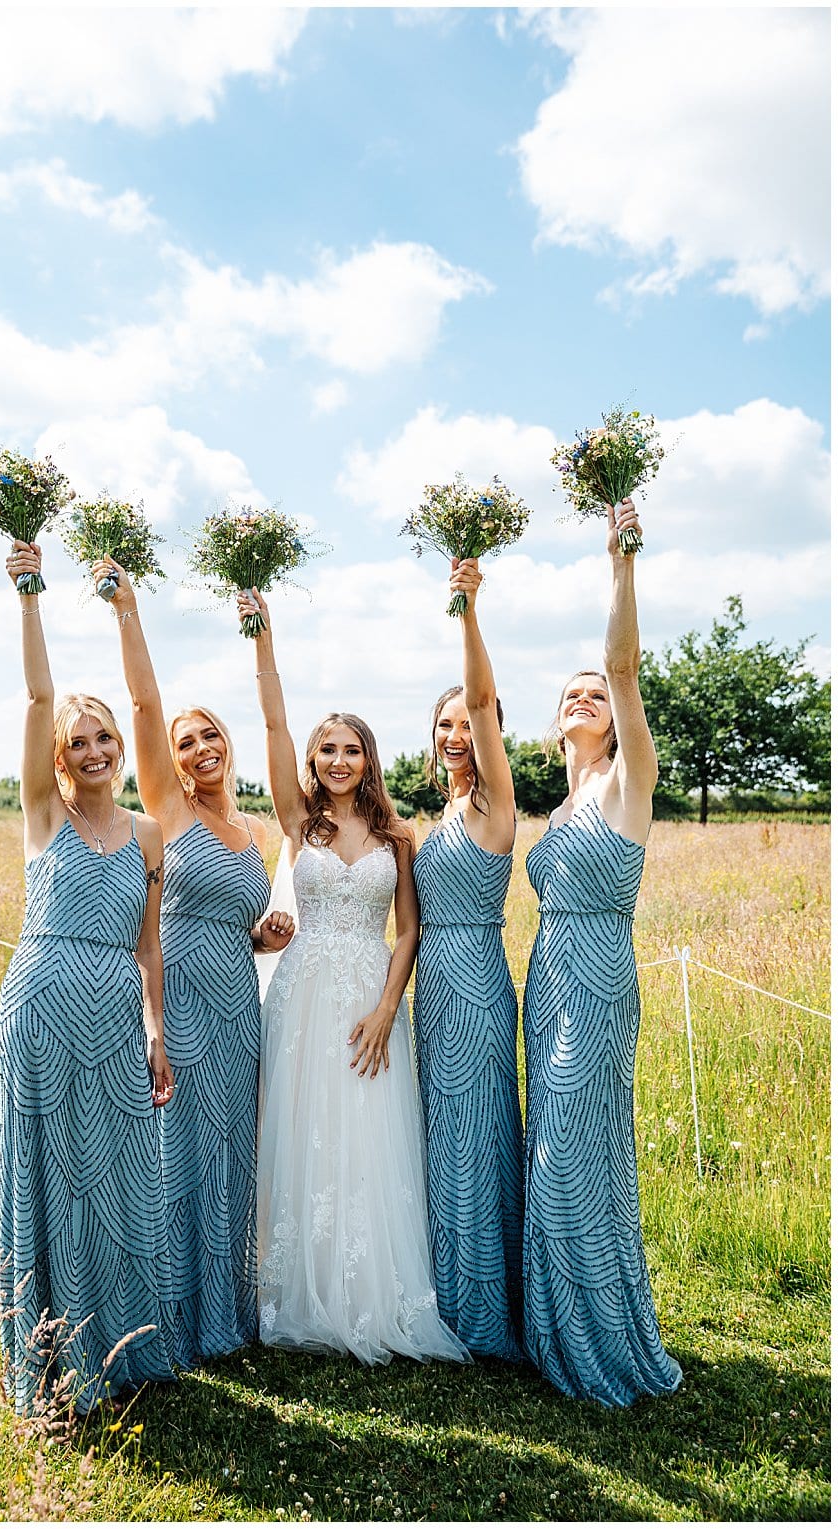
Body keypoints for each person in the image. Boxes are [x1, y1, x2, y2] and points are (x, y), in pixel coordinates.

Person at [238, 586, 469, 1367]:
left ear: (368, 757)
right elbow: (270, 719)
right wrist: (261, 635)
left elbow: (409, 929)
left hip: (369, 991)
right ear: (310, 760)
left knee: (369, 1132)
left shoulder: (398, 835)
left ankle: (371, 1286)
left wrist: (384, 1008)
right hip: (301, 991)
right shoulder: (299, 821)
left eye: (352, 748)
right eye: (326, 749)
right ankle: (294, 1283)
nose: (339, 760)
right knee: (302, 1127)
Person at [0, 538, 178, 1416]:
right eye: (82, 740)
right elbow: (37, 694)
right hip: (41, 1001)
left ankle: (121, 1341)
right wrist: (31, 594)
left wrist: (155, 1030)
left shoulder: (147, 834)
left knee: (116, 1171)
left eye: (105, 735)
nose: (99, 748)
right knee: (50, 1168)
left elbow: (149, 947)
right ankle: (49, 1353)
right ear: (60, 758)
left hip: (114, 1010)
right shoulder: (42, 813)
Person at [95, 556, 292, 1366]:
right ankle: (163, 1315)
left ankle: (224, 1309)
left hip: (239, 1004)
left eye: (210, 733)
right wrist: (128, 610)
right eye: (187, 740)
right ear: (170, 761)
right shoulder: (167, 809)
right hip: (177, 1003)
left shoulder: (251, 829)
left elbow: (226, 919)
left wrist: (263, 934)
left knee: (228, 1154)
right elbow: (142, 702)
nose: (201, 745)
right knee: (173, 1151)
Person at [522, 498, 682, 1407]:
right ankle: (554, 1326)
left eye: (595, 696)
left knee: (575, 1151)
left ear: (614, 720)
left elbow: (622, 662)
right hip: (546, 978)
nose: (586, 698)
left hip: (599, 981)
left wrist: (620, 562)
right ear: (555, 727)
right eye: (570, 695)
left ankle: (599, 1336)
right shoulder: (559, 809)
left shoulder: (630, 783)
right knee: (552, 1136)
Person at [413, 558, 525, 1359]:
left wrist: (467, 610)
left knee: (479, 1130)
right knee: (440, 1132)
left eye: (466, 724)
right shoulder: (439, 809)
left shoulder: (494, 802)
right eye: (444, 726)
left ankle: (483, 1305)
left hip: (479, 977)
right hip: (433, 989)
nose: (457, 735)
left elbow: (483, 698)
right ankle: (445, 1290)